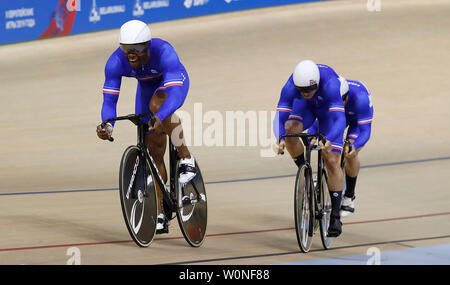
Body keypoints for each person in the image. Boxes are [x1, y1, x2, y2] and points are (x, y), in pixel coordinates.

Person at [96, 20, 196, 234]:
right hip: (146, 89)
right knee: (153, 152)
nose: (130, 54)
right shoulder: (115, 62)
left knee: (157, 106)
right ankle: (161, 212)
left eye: (137, 48)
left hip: (173, 83)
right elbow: (109, 101)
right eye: (125, 49)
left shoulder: (165, 52)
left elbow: (175, 94)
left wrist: (160, 116)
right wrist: (108, 125)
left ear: (148, 45)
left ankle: (186, 156)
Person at [273, 60, 347, 237]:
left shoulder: (330, 84)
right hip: (306, 109)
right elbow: (280, 116)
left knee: (330, 159)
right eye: (302, 90)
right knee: (290, 131)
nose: (306, 93)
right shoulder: (290, 87)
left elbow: (340, 119)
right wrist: (280, 138)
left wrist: (329, 139)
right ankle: (305, 172)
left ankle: (336, 216)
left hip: (328, 112)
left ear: (317, 84)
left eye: (309, 90)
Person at [308, 77, 373, 217]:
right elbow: (317, 119)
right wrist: (312, 135)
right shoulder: (328, 96)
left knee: (350, 153)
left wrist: (354, 145)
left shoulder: (360, 99)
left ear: (347, 97)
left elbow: (365, 130)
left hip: (356, 122)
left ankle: (349, 196)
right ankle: (323, 179)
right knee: (326, 145)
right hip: (335, 118)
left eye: (342, 101)